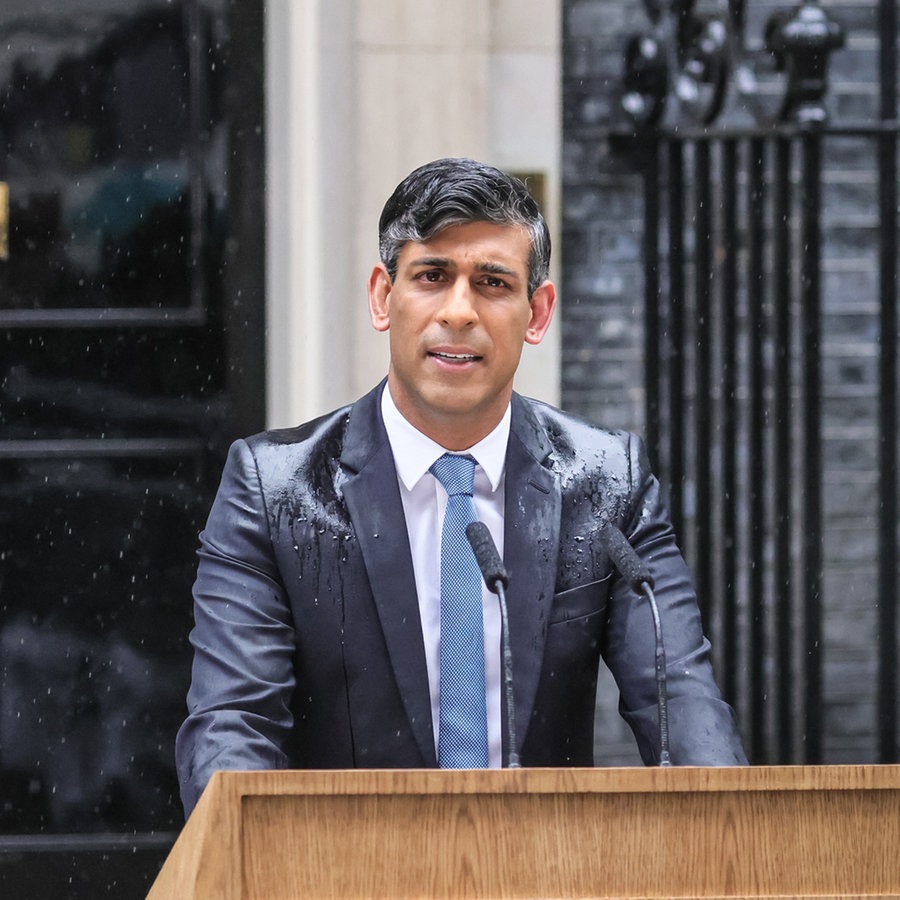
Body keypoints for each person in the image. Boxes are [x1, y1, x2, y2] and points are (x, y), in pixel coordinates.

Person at [175, 157, 746, 817]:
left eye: (493, 283)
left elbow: (681, 702)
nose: (458, 311)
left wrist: (732, 840)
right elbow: (233, 726)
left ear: (537, 313)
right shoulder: (273, 489)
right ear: (383, 298)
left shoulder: (606, 483)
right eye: (432, 276)